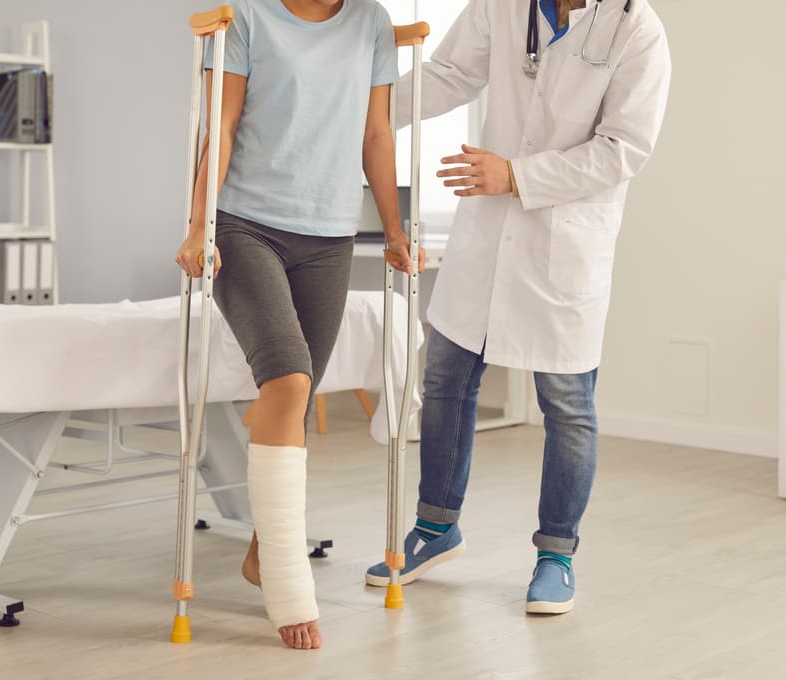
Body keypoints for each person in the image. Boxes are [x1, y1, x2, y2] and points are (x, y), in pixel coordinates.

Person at [366, 0, 671, 615]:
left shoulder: (636, 28)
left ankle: (556, 553)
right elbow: (448, 74)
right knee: (447, 378)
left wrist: (518, 175)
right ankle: (435, 527)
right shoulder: (502, 7)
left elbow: (623, 149)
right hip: (487, 236)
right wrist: (363, 112)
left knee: (567, 404)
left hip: (563, 235)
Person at [175, 0, 416, 650]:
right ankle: (287, 586)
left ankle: (262, 552)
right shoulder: (249, 15)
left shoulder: (369, 22)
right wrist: (201, 225)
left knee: (298, 398)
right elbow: (219, 125)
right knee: (288, 380)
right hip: (246, 224)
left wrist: (393, 230)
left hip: (332, 235)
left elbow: (377, 134)